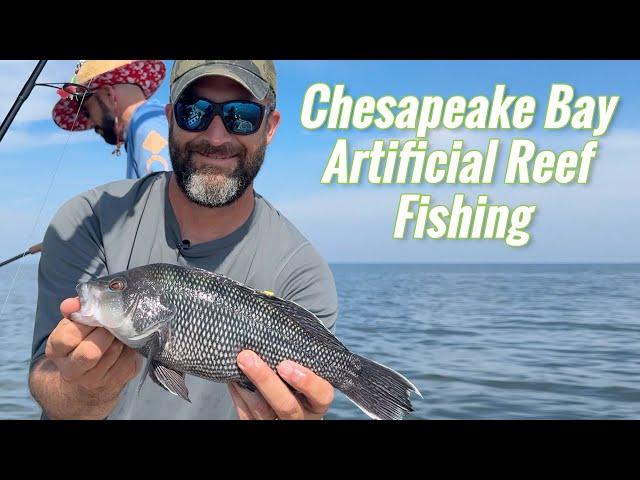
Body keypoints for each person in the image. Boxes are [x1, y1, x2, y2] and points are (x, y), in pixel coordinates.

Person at [29, 60, 339, 420]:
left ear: (269, 127)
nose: (217, 137)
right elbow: (44, 376)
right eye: (195, 112)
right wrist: (79, 394)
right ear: (171, 118)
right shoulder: (84, 221)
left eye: (242, 115)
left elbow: (302, 395)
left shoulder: (303, 275)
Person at [51, 60, 171, 179]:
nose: (90, 122)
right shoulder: (153, 124)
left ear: (108, 94)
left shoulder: (147, 128)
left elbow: (161, 195)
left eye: (87, 111)